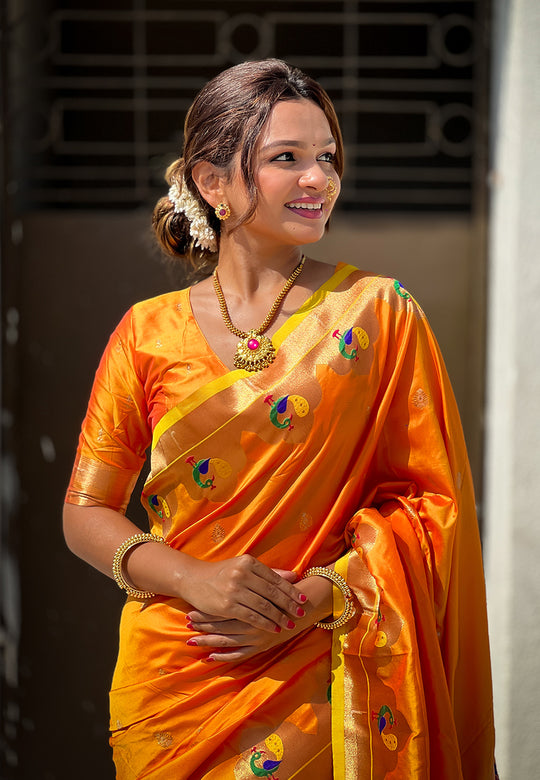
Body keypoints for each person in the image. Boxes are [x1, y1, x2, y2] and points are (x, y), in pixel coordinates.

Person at [63, 59, 496, 779]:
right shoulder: (147, 332)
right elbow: (86, 511)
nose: (317, 179)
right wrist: (192, 579)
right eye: (285, 159)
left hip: (324, 665)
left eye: (327, 157)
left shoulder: (379, 315)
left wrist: (324, 594)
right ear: (211, 183)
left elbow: (432, 507)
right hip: (179, 673)